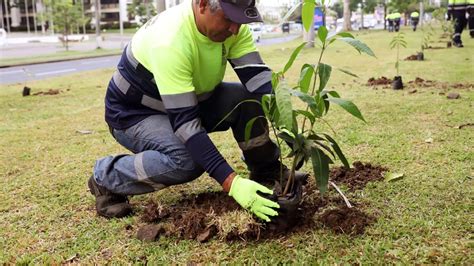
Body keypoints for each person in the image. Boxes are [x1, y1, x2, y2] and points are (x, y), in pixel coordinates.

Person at [88, 0, 307, 221]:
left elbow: (259, 82)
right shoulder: (169, 40)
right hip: (135, 114)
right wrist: (232, 183)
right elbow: (186, 126)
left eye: (241, 19)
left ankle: (265, 168)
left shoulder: (234, 29)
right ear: (202, 4)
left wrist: (290, 130)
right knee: (187, 160)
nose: (235, 29)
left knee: (247, 100)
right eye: (229, 18)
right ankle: (106, 176)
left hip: (189, 101)